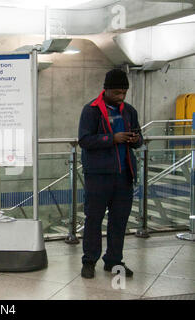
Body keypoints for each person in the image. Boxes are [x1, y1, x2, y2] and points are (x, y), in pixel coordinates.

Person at [78, 69, 143, 279]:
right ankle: (89, 261)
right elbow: (84, 140)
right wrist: (111, 139)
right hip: (98, 176)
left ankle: (114, 260)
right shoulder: (91, 110)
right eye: (116, 92)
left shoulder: (129, 111)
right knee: (93, 219)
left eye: (124, 92)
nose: (121, 97)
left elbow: (140, 138)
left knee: (119, 221)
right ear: (105, 90)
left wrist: (135, 140)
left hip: (124, 175)